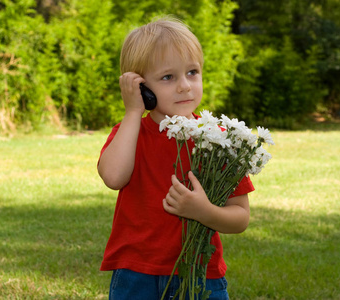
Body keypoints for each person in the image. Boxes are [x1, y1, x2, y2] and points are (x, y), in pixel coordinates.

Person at [97, 16, 254, 300]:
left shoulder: (218, 140)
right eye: (168, 77)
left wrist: (204, 211)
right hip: (136, 273)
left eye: (192, 72)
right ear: (141, 87)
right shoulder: (130, 133)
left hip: (200, 273)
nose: (184, 86)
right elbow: (113, 177)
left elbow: (240, 217)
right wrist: (133, 111)